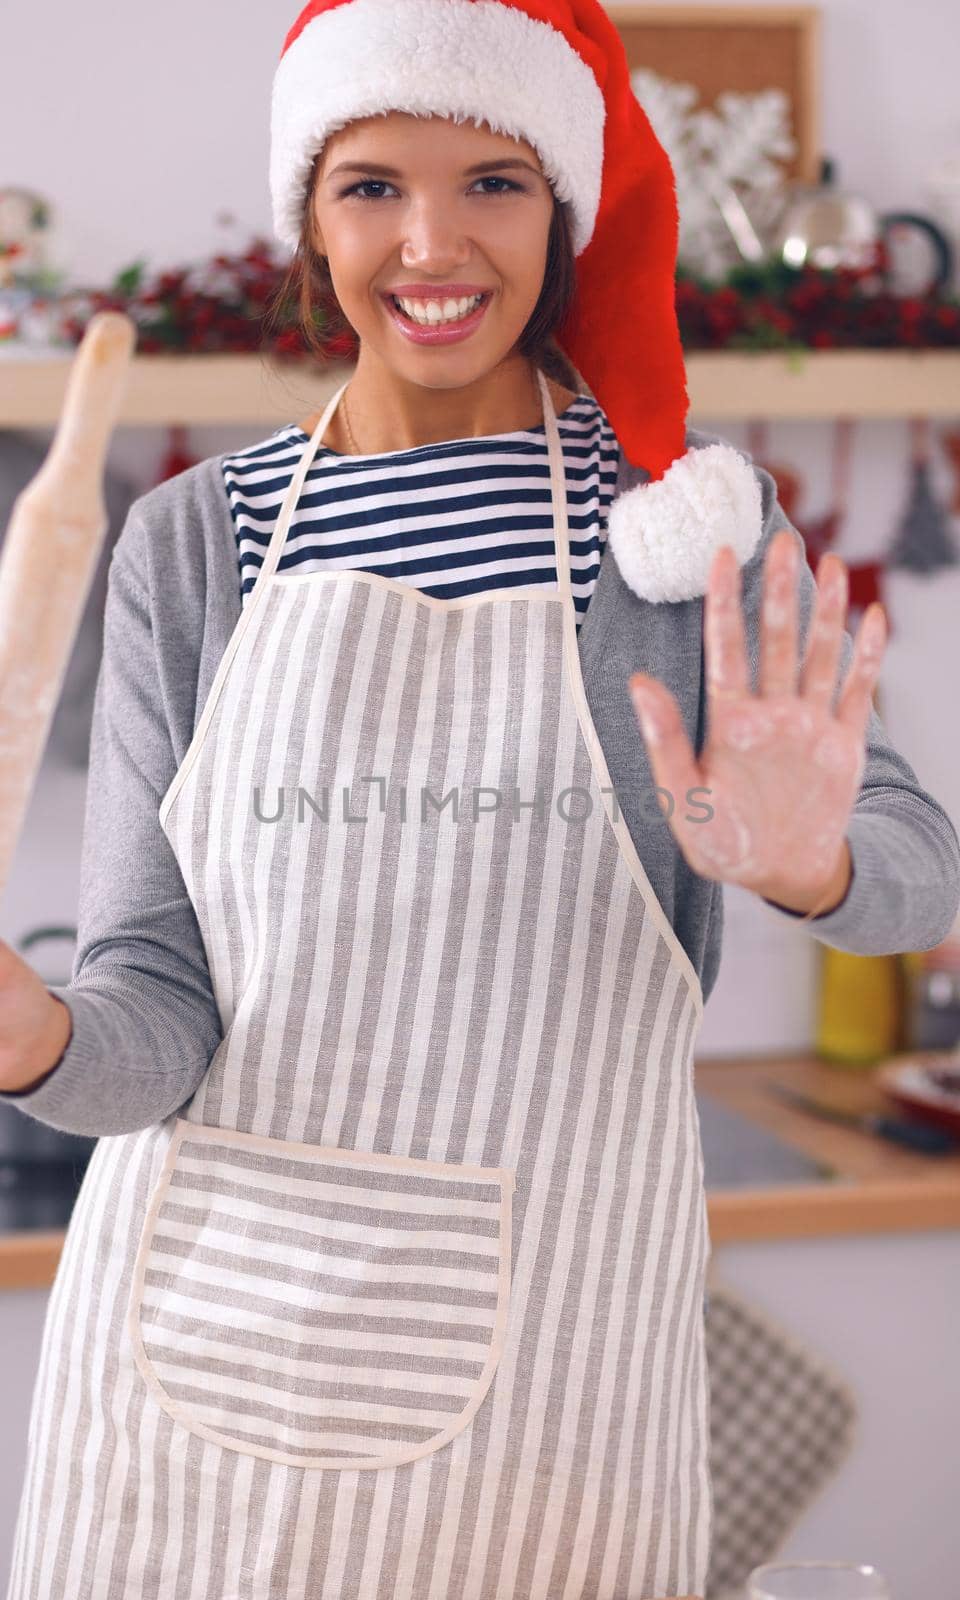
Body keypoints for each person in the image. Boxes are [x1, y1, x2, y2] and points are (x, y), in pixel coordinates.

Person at [2, 0, 958, 1596]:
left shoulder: (681, 527)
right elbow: (148, 1013)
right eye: (372, 183)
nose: (430, 242)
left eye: (495, 183)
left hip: (562, 1379)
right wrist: (36, 1041)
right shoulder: (194, 541)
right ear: (309, 212)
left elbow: (916, 867)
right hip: (206, 1358)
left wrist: (806, 869)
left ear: (566, 211)